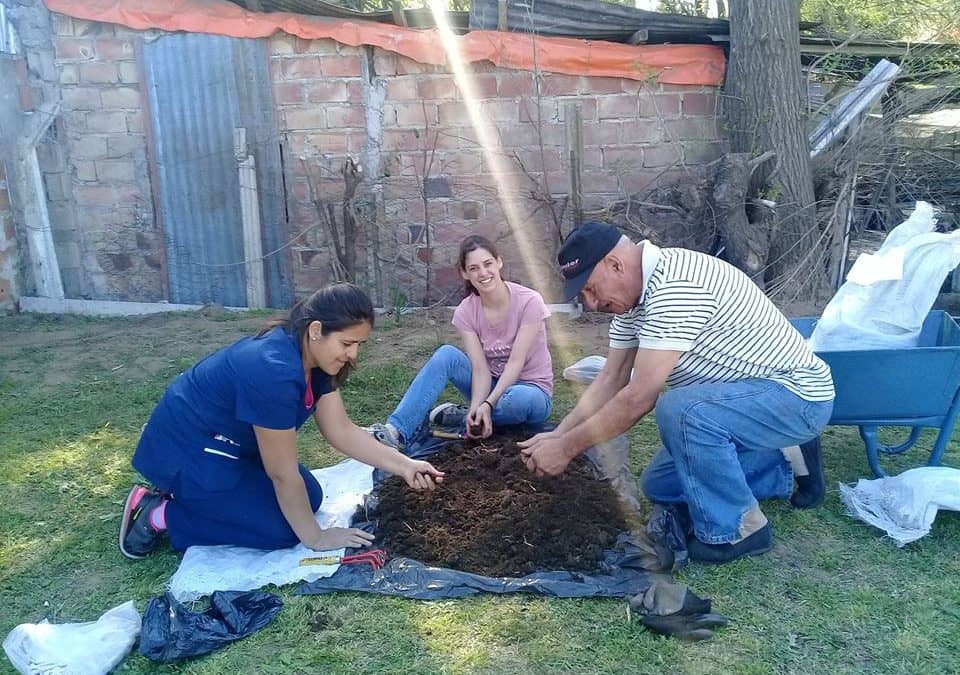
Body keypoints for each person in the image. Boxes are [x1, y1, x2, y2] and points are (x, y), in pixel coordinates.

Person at [519, 222, 835, 564]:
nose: (593, 304)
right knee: (661, 485)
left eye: (592, 289)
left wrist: (565, 450)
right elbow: (611, 379)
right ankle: (783, 463)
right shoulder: (633, 303)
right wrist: (556, 437)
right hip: (741, 404)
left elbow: (639, 397)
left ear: (615, 264)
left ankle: (740, 530)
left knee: (680, 411)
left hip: (795, 397)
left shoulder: (675, 285)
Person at [119, 283, 444, 560]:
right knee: (283, 529)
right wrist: (315, 538)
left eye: (359, 345)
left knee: (311, 496)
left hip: (229, 448)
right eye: (347, 344)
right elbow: (281, 473)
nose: (354, 355)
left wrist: (405, 465)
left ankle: (201, 498)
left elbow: (341, 431)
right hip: (186, 450)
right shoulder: (273, 371)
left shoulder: (313, 360)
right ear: (316, 330)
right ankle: (158, 514)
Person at [368, 235, 553, 448]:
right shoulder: (466, 311)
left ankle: (463, 417)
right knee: (446, 354)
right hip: (490, 386)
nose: (483, 273)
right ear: (464, 273)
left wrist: (488, 404)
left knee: (518, 400)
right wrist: (478, 406)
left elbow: (515, 363)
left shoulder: (529, 301)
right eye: (474, 268)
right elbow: (480, 369)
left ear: (499, 262)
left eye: (487, 264)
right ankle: (396, 432)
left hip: (531, 391)